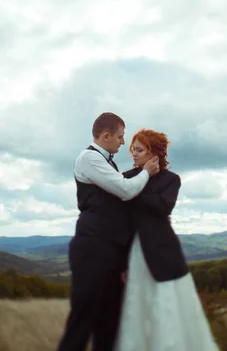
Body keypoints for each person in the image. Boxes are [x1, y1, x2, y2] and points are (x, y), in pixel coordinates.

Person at [58, 113, 160, 351]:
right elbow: (125, 190)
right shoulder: (88, 158)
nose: (123, 142)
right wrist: (146, 172)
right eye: (120, 136)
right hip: (92, 250)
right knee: (82, 323)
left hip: (110, 255)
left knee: (109, 324)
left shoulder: (107, 163)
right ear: (106, 136)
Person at [114, 129, 219, 351]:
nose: (133, 154)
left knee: (167, 305)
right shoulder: (125, 178)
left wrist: (135, 192)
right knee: (137, 306)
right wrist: (121, 262)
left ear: (155, 153)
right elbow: (123, 220)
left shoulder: (171, 179)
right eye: (133, 149)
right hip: (134, 251)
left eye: (139, 150)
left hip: (164, 251)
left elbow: (163, 206)